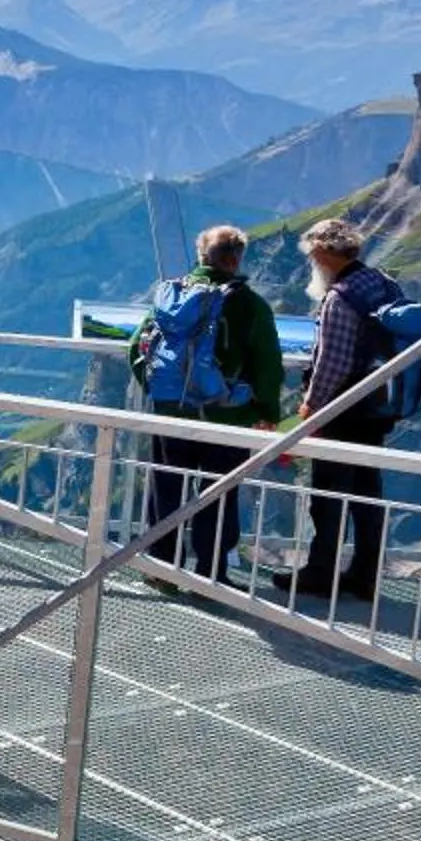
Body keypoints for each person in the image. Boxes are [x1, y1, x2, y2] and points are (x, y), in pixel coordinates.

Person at [129, 224, 284, 587]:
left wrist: (160, 391)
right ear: (236, 259)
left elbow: (137, 347)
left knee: (166, 487)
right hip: (227, 417)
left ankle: (162, 568)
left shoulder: (172, 295)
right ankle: (210, 575)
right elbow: (267, 364)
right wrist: (266, 412)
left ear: (202, 255)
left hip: (172, 412)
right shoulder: (250, 304)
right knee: (218, 493)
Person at [273, 218, 403, 602]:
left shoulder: (340, 297)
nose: (311, 261)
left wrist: (311, 405)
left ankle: (320, 573)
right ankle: (364, 576)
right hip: (378, 405)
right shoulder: (382, 283)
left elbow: (333, 359)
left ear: (327, 252)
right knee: (366, 493)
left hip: (344, 410)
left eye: (313, 253)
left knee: (329, 494)